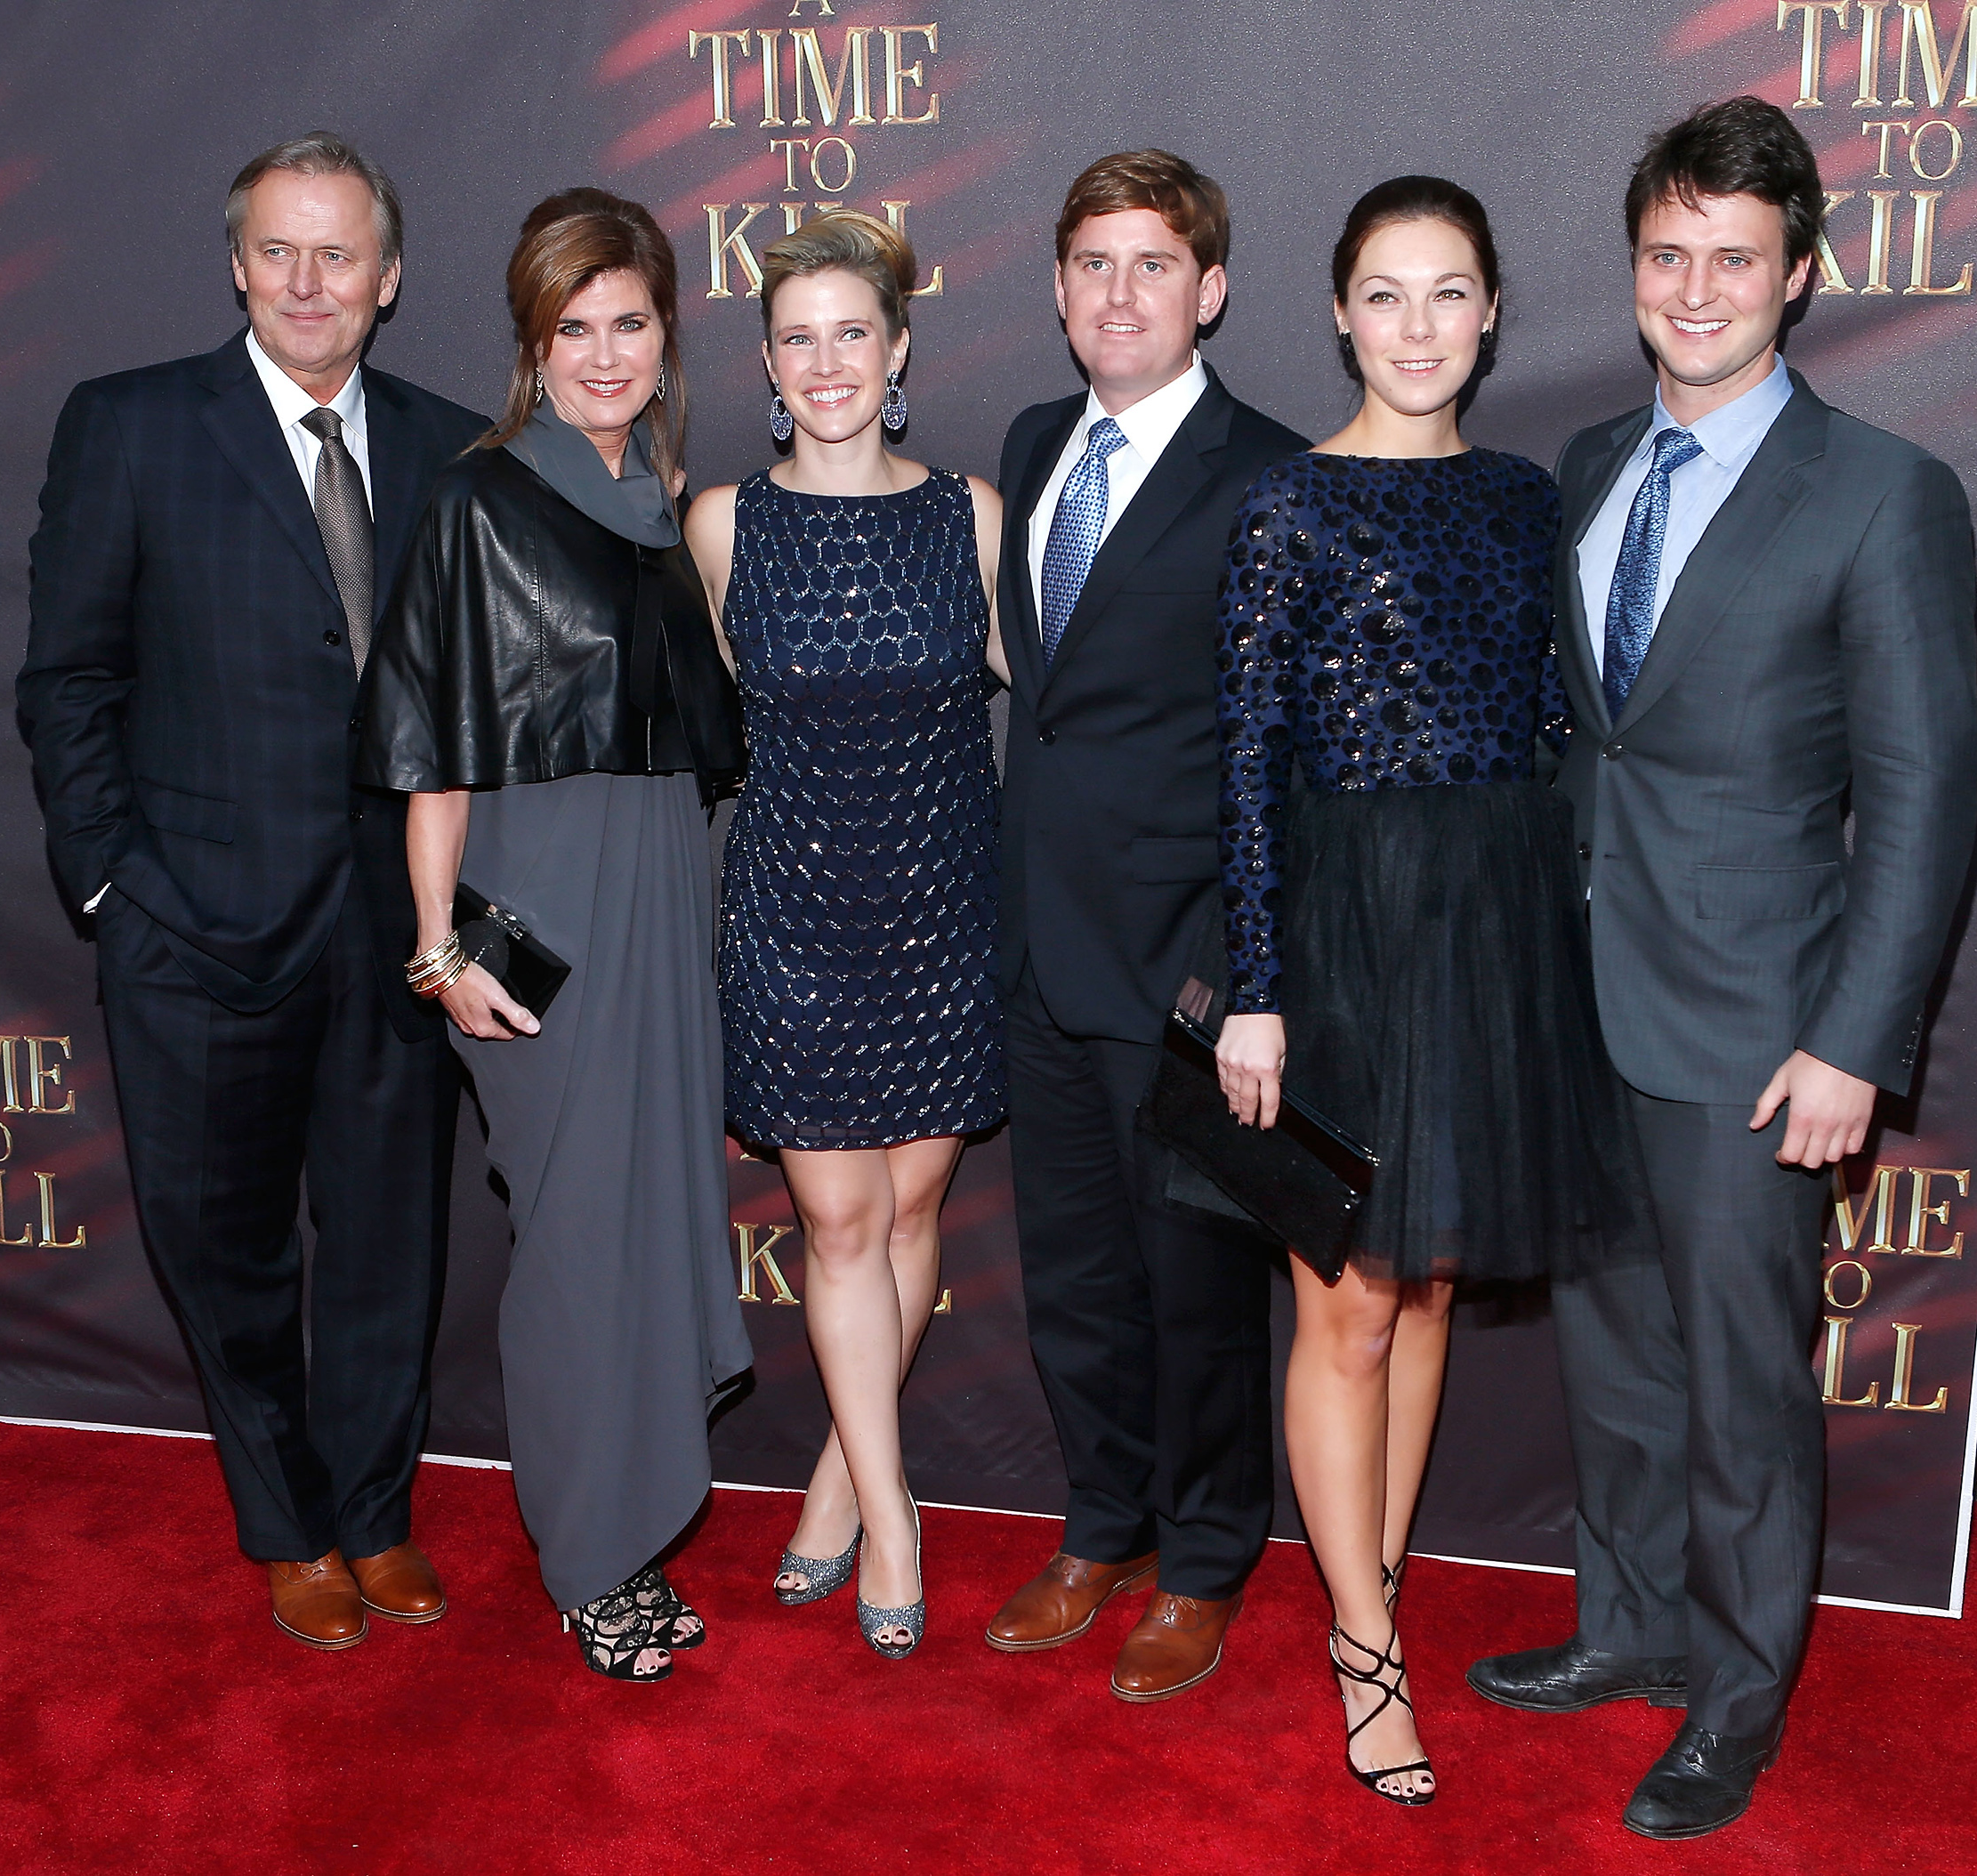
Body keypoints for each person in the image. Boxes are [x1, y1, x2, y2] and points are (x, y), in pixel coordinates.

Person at [1465, 99, 1977, 1840]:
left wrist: (1855, 1040)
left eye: (1734, 260)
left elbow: (1925, 794)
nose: (1697, 289)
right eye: (1668, 254)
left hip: (1760, 1028)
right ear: (1634, 265)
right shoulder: (1597, 464)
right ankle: (1631, 1628)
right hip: (1586, 1004)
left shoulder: (1886, 494)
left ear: (1800, 274)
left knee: (1743, 1380)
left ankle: (1740, 1694)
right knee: (1612, 1355)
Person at [1211, 177, 1648, 1804]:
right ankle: (1365, 1647)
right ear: (1337, 313)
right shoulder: (1285, 506)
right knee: (1351, 1296)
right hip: (1332, 930)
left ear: (1488, 314)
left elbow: (1554, 724)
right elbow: (1245, 759)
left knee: (1435, 1280)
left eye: (1447, 293)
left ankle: (1362, 1596)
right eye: (1384, 295)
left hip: (1495, 926)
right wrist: (1255, 989)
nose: (1415, 327)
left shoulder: (1529, 500)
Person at [16, 133, 484, 1651]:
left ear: (388, 279)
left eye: (336, 254)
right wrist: (114, 891)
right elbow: (71, 679)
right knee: (224, 1251)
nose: (306, 283)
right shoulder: (135, 426)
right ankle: (287, 1526)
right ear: (236, 266)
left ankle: (376, 1512)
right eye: (278, 252)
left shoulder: (455, 450)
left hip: (398, 935)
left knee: (389, 1244)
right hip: (191, 933)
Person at [356, 188, 753, 1682]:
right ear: (531, 341)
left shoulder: (655, 498)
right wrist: (438, 950)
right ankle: (592, 1555)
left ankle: (635, 1523)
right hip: (537, 908)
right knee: (578, 1237)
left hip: (658, 884)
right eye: (570, 328)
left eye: (629, 322)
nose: (603, 353)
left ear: (665, 330)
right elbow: (431, 753)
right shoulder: (478, 497)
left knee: (646, 1216)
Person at [980, 151, 1305, 1702]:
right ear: (1057, 289)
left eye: (1154, 264)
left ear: (1212, 289)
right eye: (1094, 264)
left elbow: (1289, 759)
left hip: (1189, 968)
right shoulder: (1038, 440)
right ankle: (1098, 1526)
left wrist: (1254, 984)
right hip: (1038, 959)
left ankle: (1202, 1559)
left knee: (1197, 1293)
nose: (1120, 292)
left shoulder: (1273, 475)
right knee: (1076, 1282)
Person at [685, 209, 1006, 1662]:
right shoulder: (722, 524)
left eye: (852, 334)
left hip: (942, 909)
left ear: (899, 352)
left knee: (915, 1216)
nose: (827, 362)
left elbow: (1055, 707)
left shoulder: (974, 516)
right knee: (836, 1219)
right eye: (798, 338)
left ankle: (835, 1479)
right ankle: (896, 1517)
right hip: (797, 918)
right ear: (768, 361)